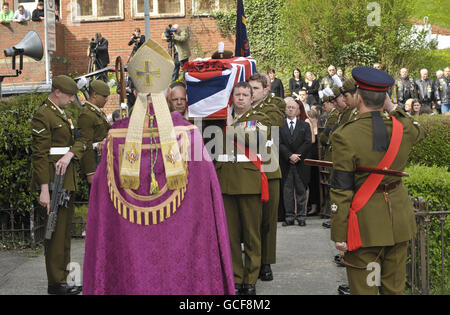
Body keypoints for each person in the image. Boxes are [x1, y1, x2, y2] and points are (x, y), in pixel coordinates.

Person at [83, 38, 234, 294]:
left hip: (128, 250)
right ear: (166, 92)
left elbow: (100, 193)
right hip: (182, 251)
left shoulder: (115, 138)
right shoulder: (189, 135)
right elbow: (207, 194)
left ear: (134, 91)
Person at [330, 66, 425, 295]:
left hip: (364, 226)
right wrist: (392, 107)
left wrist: (339, 233)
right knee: (394, 290)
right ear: (384, 99)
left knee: (366, 289)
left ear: (359, 97)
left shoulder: (345, 135)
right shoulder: (402, 128)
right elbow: (418, 131)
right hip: (399, 222)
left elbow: (341, 189)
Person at [31, 75, 88, 295]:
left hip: (66, 178)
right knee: (54, 232)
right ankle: (56, 283)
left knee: (63, 232)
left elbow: (80, 139)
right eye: (70, 95)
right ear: (57, 93)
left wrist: (71, 153)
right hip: (53, 181)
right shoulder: (43, 115)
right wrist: (44, 189)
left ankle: (63, 278)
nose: (72, 99)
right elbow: (40, 155)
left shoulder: (64, 114)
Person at [216, 81, 272, 295]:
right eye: (237, 94)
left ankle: (250, 279)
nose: (240, 98)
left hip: (249, 183)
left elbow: (257, 139)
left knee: (251, 235)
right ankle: (236, 278)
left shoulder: (259, 118)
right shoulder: (220, 119)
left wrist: (231, 128)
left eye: (244, 95)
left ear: (251, 98)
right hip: (226, 183)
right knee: (230, 236)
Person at [247, 73, 284, 282]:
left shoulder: (273, 107)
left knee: (268, 220)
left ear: (266, 90)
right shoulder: (241, 107)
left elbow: (268, 130)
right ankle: (252, 259)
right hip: (246, 171)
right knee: (251, 221)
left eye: (256, 89)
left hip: (268, 171)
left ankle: (266, 262)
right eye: (249, 89)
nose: (252, 93)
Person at [279, 97, 312, 227]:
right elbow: (279, 142)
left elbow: (308, 142)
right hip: (286, 162)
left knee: (301, 190)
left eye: (293, 107)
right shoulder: (280, 125)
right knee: (287, 191)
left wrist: (297, 155)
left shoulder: (304, 125)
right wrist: (289, 155)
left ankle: (301, 216)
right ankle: (289, 216)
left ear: (298, 110)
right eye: (288, 107)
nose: (290, 109)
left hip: (300, 163)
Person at [78, 80, 111, 185]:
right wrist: (90, 172)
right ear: (95, 94)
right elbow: (85, 143)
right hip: (95, 162)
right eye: (104, 96)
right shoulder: (86, 114)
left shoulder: (97, 112)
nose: (106, 99)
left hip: (102, 160)